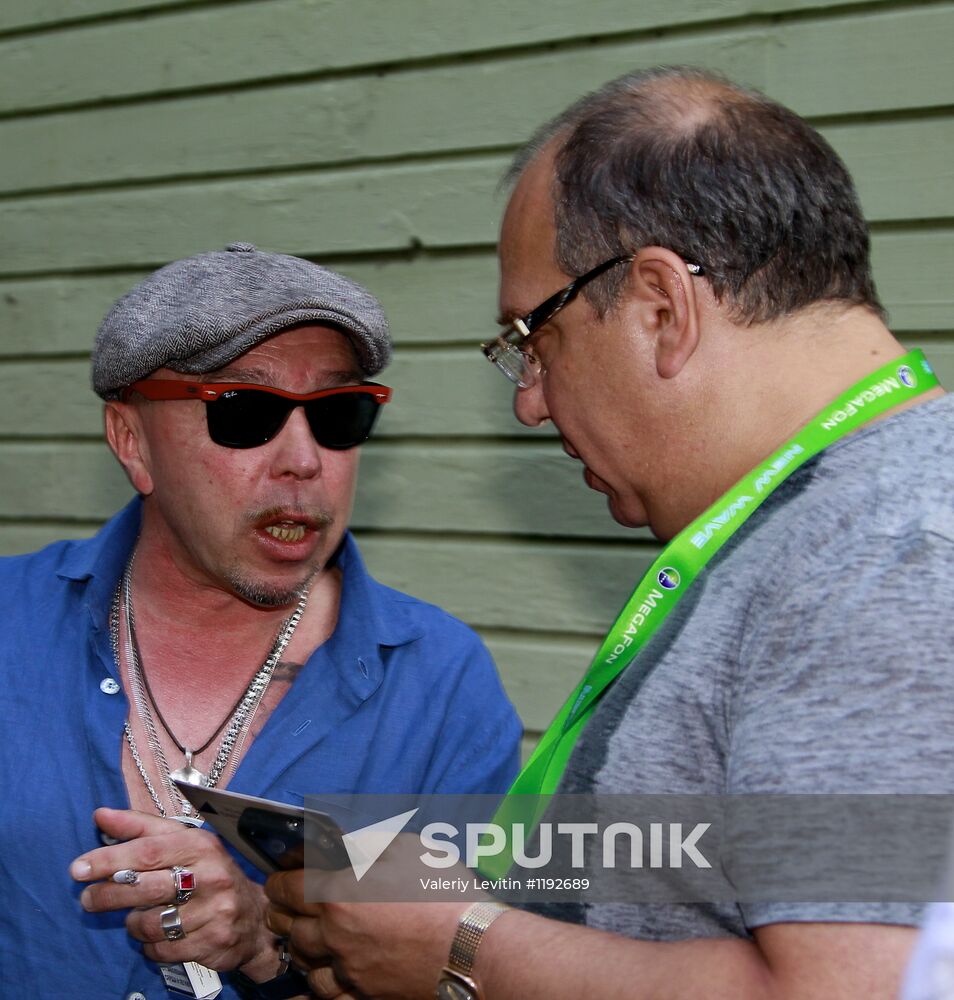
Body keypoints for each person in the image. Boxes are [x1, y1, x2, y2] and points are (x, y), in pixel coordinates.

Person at [264, 67, 954, 999]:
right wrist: (447, 918)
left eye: (531, 337)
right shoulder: (817, 526)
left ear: (662, 308)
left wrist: (463, 951)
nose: (528, 404)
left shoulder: (887, 552)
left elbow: (848, 991)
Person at [0, 242, 521, 999]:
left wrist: (271, 943)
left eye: (339, 414)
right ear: (131, 441)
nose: (304, 461)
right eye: (247, 413)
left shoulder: (440, 685)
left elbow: (464, 978)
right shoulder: (12, 625)